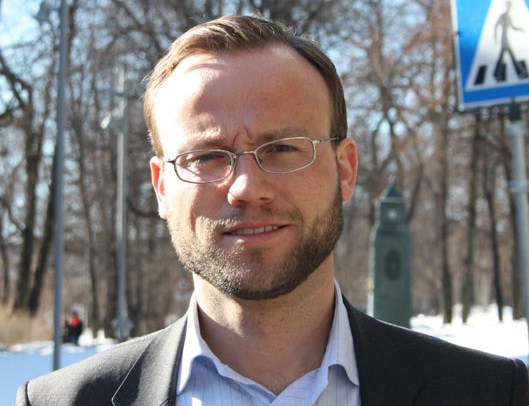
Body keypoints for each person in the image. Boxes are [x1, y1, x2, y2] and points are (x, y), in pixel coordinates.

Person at [17, 15, 529, 406]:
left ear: (345, 170)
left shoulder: (492, 393)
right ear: (161, 187)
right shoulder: (58, 403)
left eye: (283, 148)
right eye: (206, 156)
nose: (245, 187)